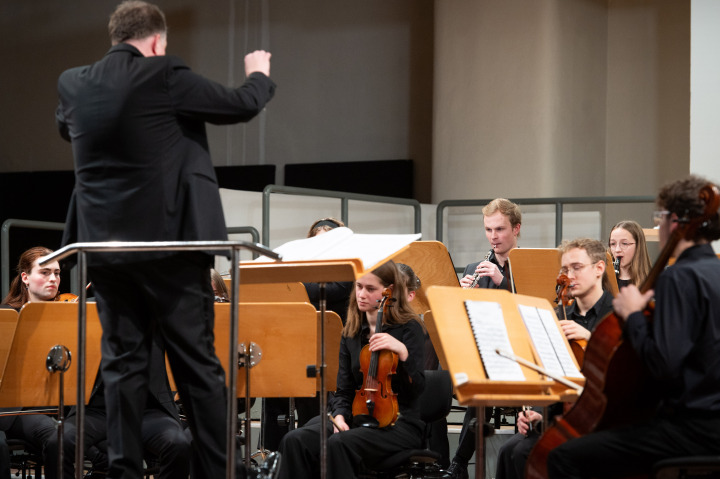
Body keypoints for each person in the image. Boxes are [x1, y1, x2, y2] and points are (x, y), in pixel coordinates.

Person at [54, 1, 277, 478]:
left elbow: (65, 125)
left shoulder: (74, 83)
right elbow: (240, 104)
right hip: (171, 248)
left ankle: (124, 472)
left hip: (107, 253)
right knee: (197, 367)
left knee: (124, 367)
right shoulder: (165, 74)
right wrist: (258, 74)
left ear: (116, 38)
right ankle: (218, 471)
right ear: (157, 43)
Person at [547, 175, 720, 478]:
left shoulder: (678, 277)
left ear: (676, 221)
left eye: (661, 218)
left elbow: (663, 364)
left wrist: (633, 316)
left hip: (693, 428)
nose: (659, 226)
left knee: (564, 457)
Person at [277, 260, 426, 478]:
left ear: (388, 291)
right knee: (295, 440)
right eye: (358, 287)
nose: (362, 294)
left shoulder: (409, 328)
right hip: (357, 417)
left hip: (398, 423)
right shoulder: (351, 331)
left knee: (339, 444)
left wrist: (403, 353)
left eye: (370, 289)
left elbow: (417, 389)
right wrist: (339, 416)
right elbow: (344, 389)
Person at [494, 238, 614, 479]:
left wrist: (591, 340)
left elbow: (626, 373)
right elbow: (549, 376)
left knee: (525, 452)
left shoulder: (617, 315)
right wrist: (537, 412)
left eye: (577, 268)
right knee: (507, 450)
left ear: (599, 268)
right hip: (559, 417)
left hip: (603, 419)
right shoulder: (560, 316)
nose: (569, 276)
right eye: (565, 269)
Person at [448, 198, 522, 479]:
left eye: (500, 229)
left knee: (483, 385)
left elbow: (535, 309)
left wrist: (504, 281)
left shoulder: (527, 267)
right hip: (485, 355)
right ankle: (458, 466)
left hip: (518, 356)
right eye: (489, 230)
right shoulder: (473, 269)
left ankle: (459, 463)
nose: (493, 237)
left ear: (516, 229)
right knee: (479, 383)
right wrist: (461, 296)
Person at [0, 247, 65, 479]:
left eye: (57, 273)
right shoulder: (5, 316)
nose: (53, 279)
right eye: (45, 272)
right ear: (25, 278)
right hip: (9, 408)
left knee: (64, 435)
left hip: (48, 404)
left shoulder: (66, 317)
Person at [608, 220, 651, 289]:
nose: (617, 250)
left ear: (638, 246)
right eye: (613, 244)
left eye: (624, 243)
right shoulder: (604, 281)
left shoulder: (654, 281)